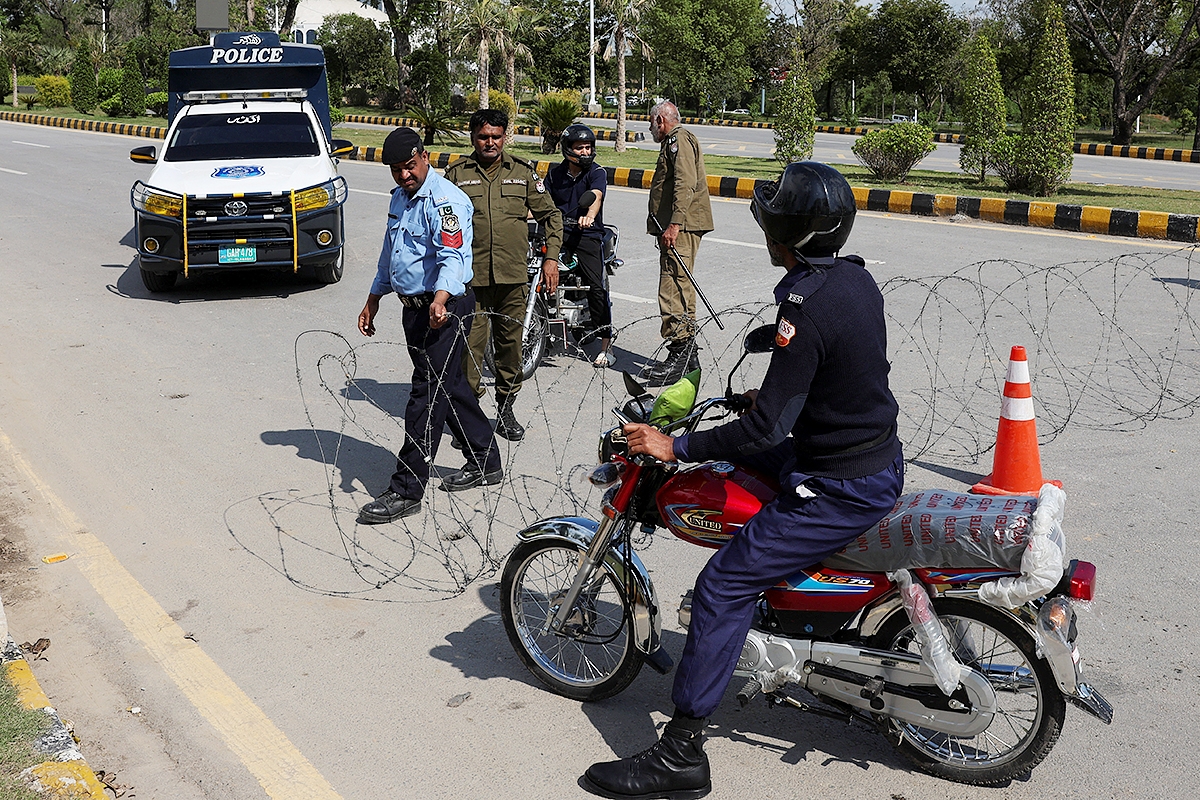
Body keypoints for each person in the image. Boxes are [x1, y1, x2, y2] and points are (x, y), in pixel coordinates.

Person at [581, 162, 905, 800]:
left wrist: (677, 444)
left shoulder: (802, 306)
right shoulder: (854, 280)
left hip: (839, 481)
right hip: (864, 454)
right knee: (743, 473)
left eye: (773, 221)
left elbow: (762, 429)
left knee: (720, 587)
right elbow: (844, 374)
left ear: (787, 233)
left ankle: (680, 752)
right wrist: (779, 387)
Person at [356, 127, 503, 525]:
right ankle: (485, 458)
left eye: (409, 167)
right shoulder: (401, 200)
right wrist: (374, 297)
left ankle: (407, 488)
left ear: (424, 157)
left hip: (446, 307)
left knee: (425, 395)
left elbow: (453, 257)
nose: (404, 176)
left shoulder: (445, 201)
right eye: (396, 170)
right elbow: (392, 253)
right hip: (414, 309)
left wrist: (440, 299)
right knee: (448, 385)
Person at [443, 109, 564, 441]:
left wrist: (551, 259)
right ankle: (470, 417)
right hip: (472, 281)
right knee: (469, 350)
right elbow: (439, 223)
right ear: (473, 138)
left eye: (496, 136)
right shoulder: (456, 175)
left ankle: (506, 409)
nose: (490, 142)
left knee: (510, 348)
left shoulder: (522, 173)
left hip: (512, 278)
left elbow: (551, 216)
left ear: (504, 137)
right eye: (483, 137)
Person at [644, 100, 714, 386]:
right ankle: (685, 356)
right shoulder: (674, 141)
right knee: (676, 283)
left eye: (651, 124)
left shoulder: (678, 140)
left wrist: (675, 224)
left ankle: (680, 352)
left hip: (681, 227)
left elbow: (686, 183)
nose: (650, 129)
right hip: (679, 225)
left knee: (674, 286)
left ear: (661, 120)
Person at [547, 123, 614, 367]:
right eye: (580, 148)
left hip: (586, 233)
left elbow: (596, 196)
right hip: (557, 232)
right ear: (567, 150)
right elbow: (543, 202)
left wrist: (589, 216)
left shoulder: (596, 173)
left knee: (597, 288)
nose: (585, 152)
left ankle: (606, 344)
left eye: (588, 147)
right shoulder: (555, 174)